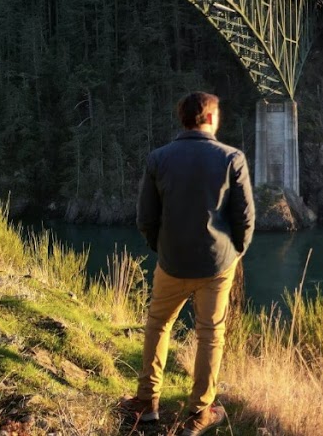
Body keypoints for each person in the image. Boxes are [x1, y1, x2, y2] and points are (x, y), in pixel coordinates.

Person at [120, 91, 255, 436]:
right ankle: (199, 414)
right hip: (216, 265)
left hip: (172, 262)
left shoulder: (158, 158)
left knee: (158, 326)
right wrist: (234, 252)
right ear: (210, 119)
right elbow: (245, 219)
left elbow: (146, 217)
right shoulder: (231, 158)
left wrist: (162, 249)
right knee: (210, 335)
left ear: (183, 119)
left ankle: (146, 403)